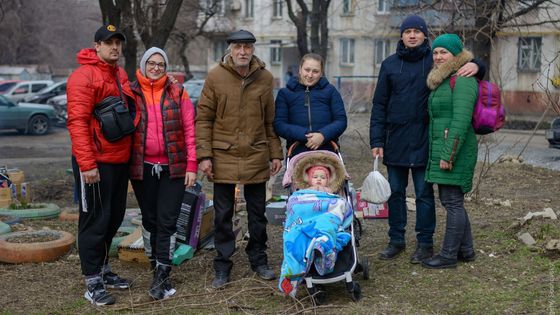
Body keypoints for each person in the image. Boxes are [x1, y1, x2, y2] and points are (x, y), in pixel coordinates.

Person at [369, 15, 486, 264]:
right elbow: (379, 105)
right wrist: (376, 140)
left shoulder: (434, 61)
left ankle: (424, 243)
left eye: (417, 31)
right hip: (396, 140)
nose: (412, 35)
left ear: (425, 35)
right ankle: (396, 240)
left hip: (426, 141)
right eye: (407, 31)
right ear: (401, 35)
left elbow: (461, 63)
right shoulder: (389, 65)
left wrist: (478, 66)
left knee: (424, 194)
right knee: (396, 193)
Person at [196, 29, 284, 289]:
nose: (242, 52)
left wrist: (276, 152)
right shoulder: (215, 77)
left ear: (253, 50)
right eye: (238, 47)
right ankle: (223, 265)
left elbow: (270, 120)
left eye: (247, 47)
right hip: (222, 155)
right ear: (230, 50)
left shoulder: (265, 78)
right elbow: (204, 119)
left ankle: (259, 259)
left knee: (257, 214)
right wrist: (205, 156)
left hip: (256, 153)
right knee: (223, 214)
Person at [67, 24, 138, 306]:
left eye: (118, 43)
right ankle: (92, 282)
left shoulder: (119, 74)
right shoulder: (83, 77)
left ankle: (104, 268)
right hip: (95, 163)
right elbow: (77, 123)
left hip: (119, 161)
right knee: (94, 222)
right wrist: (86, 164)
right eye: (108, 43)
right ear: (96, 45)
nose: (115, 47)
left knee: (114, 217)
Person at [128, 47, 197, 299]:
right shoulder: (131, 92)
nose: (156, 68)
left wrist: (192, 165)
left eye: (161, 64)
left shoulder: (178, 92)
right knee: (149, 220)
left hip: (173, 167)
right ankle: (153, 263)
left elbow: (190, 130)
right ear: (144, 65)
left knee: (167, 220)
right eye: (151, 63)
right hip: (142, 167)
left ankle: (163, 272)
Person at [422, 34, 478, 269]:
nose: (438, 56)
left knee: (453, 202)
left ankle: (448, 256)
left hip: (456, 150)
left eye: (443, 52)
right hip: (448, 148)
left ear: (456, 55)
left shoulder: (462, 80)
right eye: (435, 52)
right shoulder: (444, 80)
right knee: (451, 200)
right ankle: (466, 250)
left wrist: (448, 154)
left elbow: (461, 121)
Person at [279, 154, 351, 297]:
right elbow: (295, 206)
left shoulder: (330, 193)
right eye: (315, 176)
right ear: (308, 179)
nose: (319, 179)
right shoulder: (301, 193)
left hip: (325, 215)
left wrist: (331, 198)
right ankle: (317, 247)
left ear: (328, 180)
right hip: (304, 221)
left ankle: (321, 243)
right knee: (295, 238)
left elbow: (339, 205)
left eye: (323, 177)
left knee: (329, 219)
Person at [274, 53, 347, 156]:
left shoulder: (330, 91)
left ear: (321, 73)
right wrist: (305, 135)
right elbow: (279, 124)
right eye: (307, 70)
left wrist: (323, 135)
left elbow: (341, 120)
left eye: (315, 71)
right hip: (297, 151)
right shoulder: (285, 94)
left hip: (328, 151)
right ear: (300, 69)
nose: (310, 75)